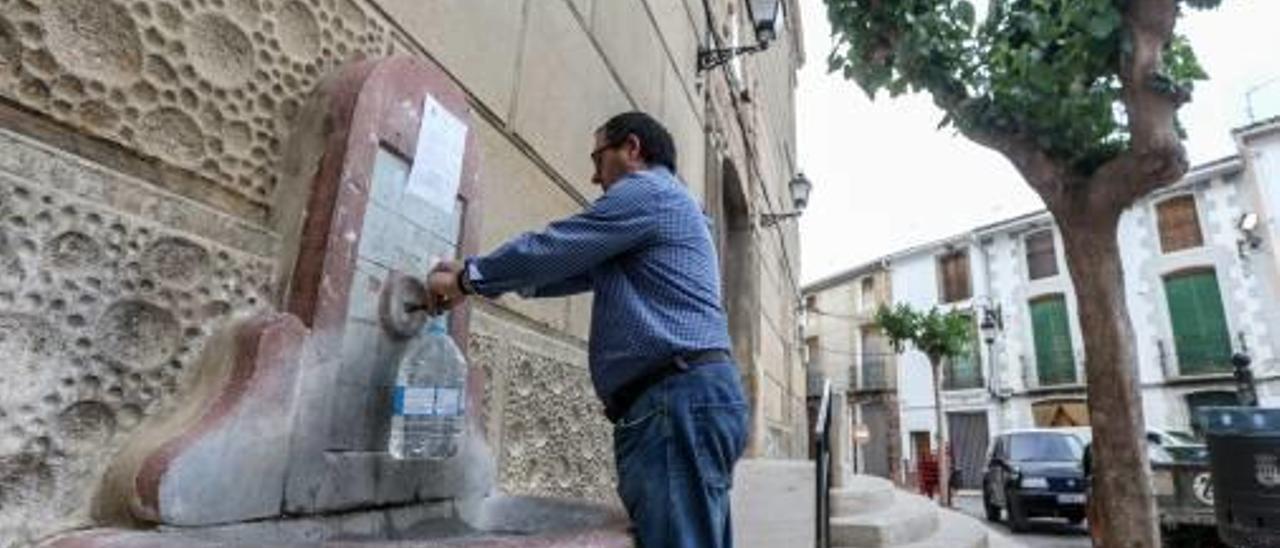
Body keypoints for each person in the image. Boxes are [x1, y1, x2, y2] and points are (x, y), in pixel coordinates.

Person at [425, 111, 749, 548]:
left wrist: (469, 278)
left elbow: (554, 247)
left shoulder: (647, 192)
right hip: (691, 396)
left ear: (632, 149)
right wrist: (482, 280)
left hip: (675, 400)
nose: (594, 177)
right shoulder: (668, 209)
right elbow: (557, 270)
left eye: (598, 158)